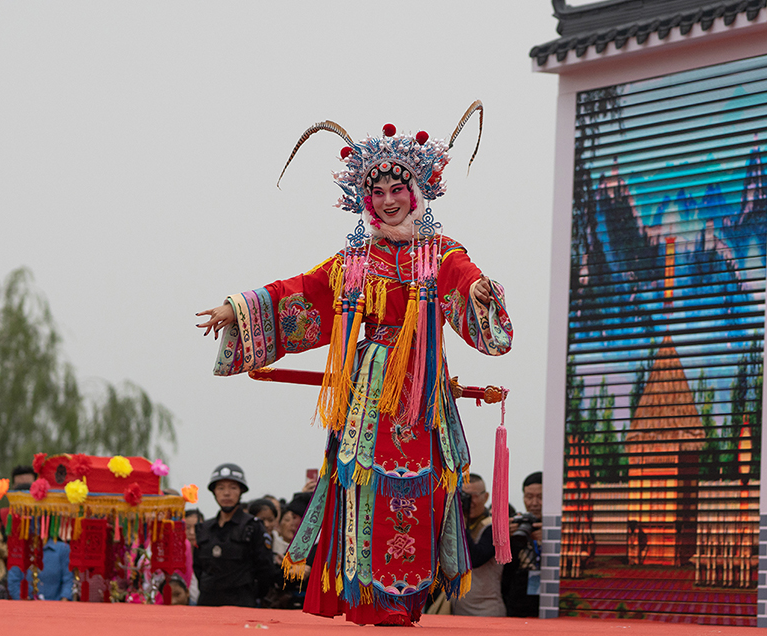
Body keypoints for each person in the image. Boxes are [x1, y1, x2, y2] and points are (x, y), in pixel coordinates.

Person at [196, 103, 513, 626]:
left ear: (416, 193)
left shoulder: (440, 252)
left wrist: (479, 290)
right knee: (362, 483)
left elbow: (464, 277)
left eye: (398, 190)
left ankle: (403, 600)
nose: (388, 202)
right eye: (378, 192)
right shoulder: (354, 261)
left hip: (418, 388)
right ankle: (364, 598)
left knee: (418, 488)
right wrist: (239, 307)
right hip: (368, 390)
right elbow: (299, 292)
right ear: (366, 199)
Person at [193, 463, 275, 607]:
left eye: (233, 487)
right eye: (221, 488)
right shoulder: (204, 528)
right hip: (207, 604)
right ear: (214, 492)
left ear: (241, 492)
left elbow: (265, 569)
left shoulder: (253, 527)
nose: (226, 493)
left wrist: (251, 594)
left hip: (241, 603)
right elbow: (198, 567)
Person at [452, 473, 505, 616]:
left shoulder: (494, 526)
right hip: (457, 608)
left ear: (486, 497)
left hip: (486, 609)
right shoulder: (454, 525)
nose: (469, 501)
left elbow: (475, 558)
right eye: (464, 496)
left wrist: (460, 523)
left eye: (474, 496)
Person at [503, 472, 543, 617]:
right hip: (518, 602)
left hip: (549, 600)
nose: (534, 503)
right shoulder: (517, 524)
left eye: (540, 497)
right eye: (529, 497)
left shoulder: (561, 528)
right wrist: (504, 539)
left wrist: (550, 540)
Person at [7, 538, 73, 600]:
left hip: (57, 605)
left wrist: (63, 605)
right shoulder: (18, 549)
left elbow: (68, 580)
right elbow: (13, 582)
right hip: (26, 607)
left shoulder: (63, 549)